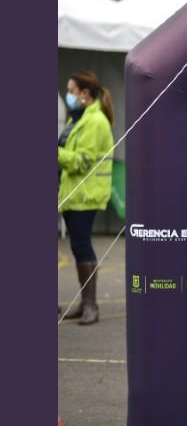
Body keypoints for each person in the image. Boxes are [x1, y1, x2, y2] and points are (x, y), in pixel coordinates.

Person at [58, 71, 115, 325]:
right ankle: (85, 303)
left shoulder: (94, 122)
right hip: (75, 193)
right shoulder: (80, 119)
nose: (69, 95)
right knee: (79, 246)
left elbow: (82, 161)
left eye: (71, 91)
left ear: (85, 93)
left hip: (85, 194)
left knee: (82, 247)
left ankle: (91, 304)